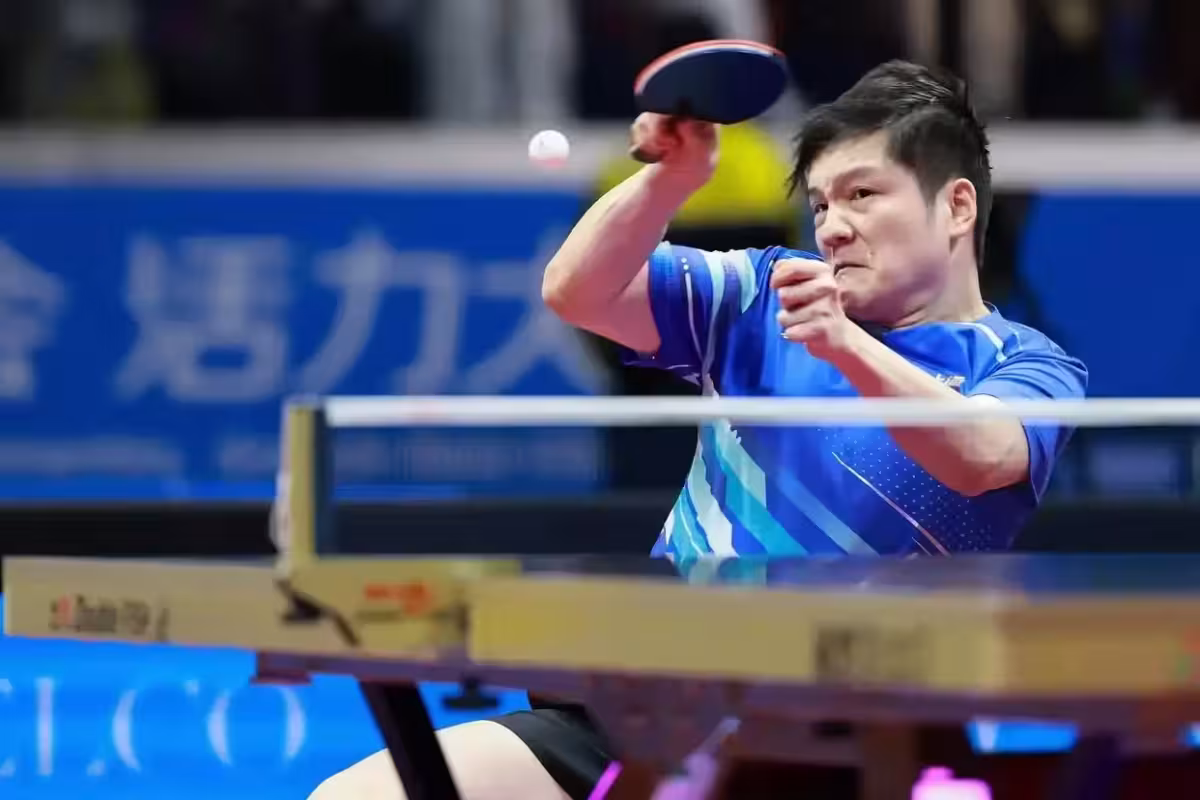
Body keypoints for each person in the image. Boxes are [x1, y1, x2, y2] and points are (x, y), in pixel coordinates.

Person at [309, 60, 1088, 800]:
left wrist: (844, 347)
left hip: (848, 742)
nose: (834, 227)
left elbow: (983, 454)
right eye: (821, 205)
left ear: (957, 207)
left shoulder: (1027, 364)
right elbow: (577, 292)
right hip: (648, 713)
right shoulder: (763, 294)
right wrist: (670, 180)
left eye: (862, 194)